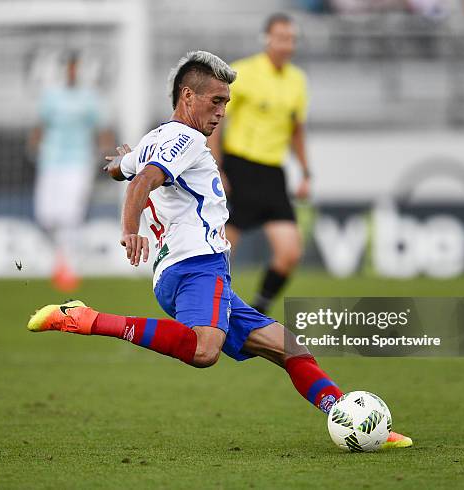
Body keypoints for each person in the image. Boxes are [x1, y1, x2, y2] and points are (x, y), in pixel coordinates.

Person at [26, 50, 412, 449]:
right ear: (187, 96)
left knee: (291, 349)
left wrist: (121, 162)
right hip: (195, 266)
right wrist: (130, 229)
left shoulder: (154, 140)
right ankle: (86, 318)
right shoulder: (184, 138)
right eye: (216, 101)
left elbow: (121, 171)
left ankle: (357, 423)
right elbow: (142, 182)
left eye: (226, 102)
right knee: (204, 350)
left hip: (196, 272)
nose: (223, 111)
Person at [208, 13, 310, 315]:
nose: (286, 45)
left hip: (273, 173)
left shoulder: (297, 81)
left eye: (291, 39)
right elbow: (216, 122)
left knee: (290, 253)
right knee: (221, 252)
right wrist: (217, 166)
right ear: (267, 39)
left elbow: (296, 130)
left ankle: (257, 310)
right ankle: (211, 311)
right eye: (281, 38)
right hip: (240, 167)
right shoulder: (243, 73)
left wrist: (305, 172)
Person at [29, 51, 114, 291]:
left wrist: (106, 156)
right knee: (46, 215)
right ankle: (61, 259)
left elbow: (102, 128)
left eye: (76, 68)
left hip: (78, 161)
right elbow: (40, 126)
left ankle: (68, 266)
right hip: (50, 160)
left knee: (70, 214)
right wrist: (33, 149)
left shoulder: (90, 98)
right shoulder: (51, 96)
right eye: (69, 67)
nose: (72, 72)